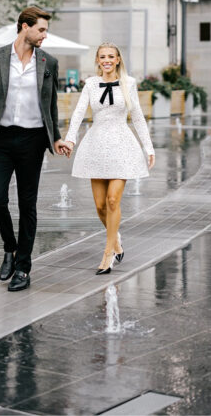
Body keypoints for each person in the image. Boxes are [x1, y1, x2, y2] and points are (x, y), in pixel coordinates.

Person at [0, 6, 67, 292]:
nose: (44, 35)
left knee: (28, 205)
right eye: (41, 29)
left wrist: (56, 137)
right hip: (0, 140)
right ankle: (10, 247)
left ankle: (23, 268)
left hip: (32, 141)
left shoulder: (48, 62)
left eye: (45, 30)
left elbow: (51, 104)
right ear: (24, 27)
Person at [58, 43, 155, 274]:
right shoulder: (91, 84)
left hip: (122, 145)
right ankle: (117, 241)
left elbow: (138, 117)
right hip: (96, 146)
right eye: (103, 57)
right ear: (98, 60)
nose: (107, 60)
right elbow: (79, 113)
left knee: (113, 201)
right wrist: (70, 139)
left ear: (118, 59)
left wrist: (148, 147)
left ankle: (108, 253)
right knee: (101, 206)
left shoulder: (129, 83)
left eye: (111, 56)